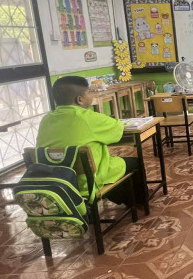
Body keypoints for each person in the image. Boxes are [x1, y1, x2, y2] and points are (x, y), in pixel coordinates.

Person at [36, 76, 144, 207]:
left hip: (56, 182)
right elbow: (117, 131)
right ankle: (139, 201)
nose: (91, 94)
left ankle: (119, 198)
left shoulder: (46, 120)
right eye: (89, 92)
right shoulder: (89, 118)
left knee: (106, 166)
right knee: (133, 163)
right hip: (86, 182)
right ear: (80, 99)